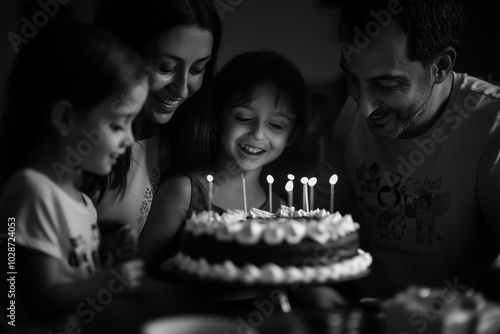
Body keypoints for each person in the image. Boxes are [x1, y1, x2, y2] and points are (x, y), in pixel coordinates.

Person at [316, 0, 500, 299]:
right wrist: (317, 289)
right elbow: (321, 231)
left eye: (385, 85)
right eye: (352, 77)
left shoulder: (492, 122)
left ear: (440, 66)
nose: (362, 107)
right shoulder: (348, 115)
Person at [0, 22, 146, 332]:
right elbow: (42, 300)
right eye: (119, 125)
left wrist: (105, 255)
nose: (130, 139)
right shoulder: (31, 192)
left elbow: (73, 280)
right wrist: (112, 281)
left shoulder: (82, 202)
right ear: (65, 118)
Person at [139, 50, 307, 277]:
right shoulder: (184, 193)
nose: (258, 134)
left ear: (292, 136)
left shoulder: (280, 209)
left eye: (276, 125)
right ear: (216, 118)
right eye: (243, 118)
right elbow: (138, 275)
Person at [80, 0, 222, 237]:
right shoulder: (79, 145)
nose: (182, 90)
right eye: (165, 67)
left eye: (197, 70)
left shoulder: (194, 145)